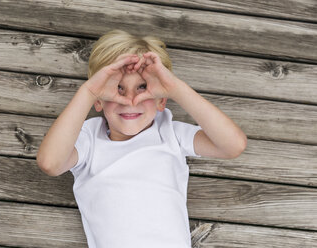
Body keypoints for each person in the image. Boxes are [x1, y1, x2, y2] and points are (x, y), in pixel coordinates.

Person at [36, 29, 247, 248]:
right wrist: (89, 91)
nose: (130, 101)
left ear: (161, 101)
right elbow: (50, 163)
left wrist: (175, 89)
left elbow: (233, 145)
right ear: (99, 100)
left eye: (143, 88)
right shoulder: (89, 140)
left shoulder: (170, 133)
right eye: (118, 88)